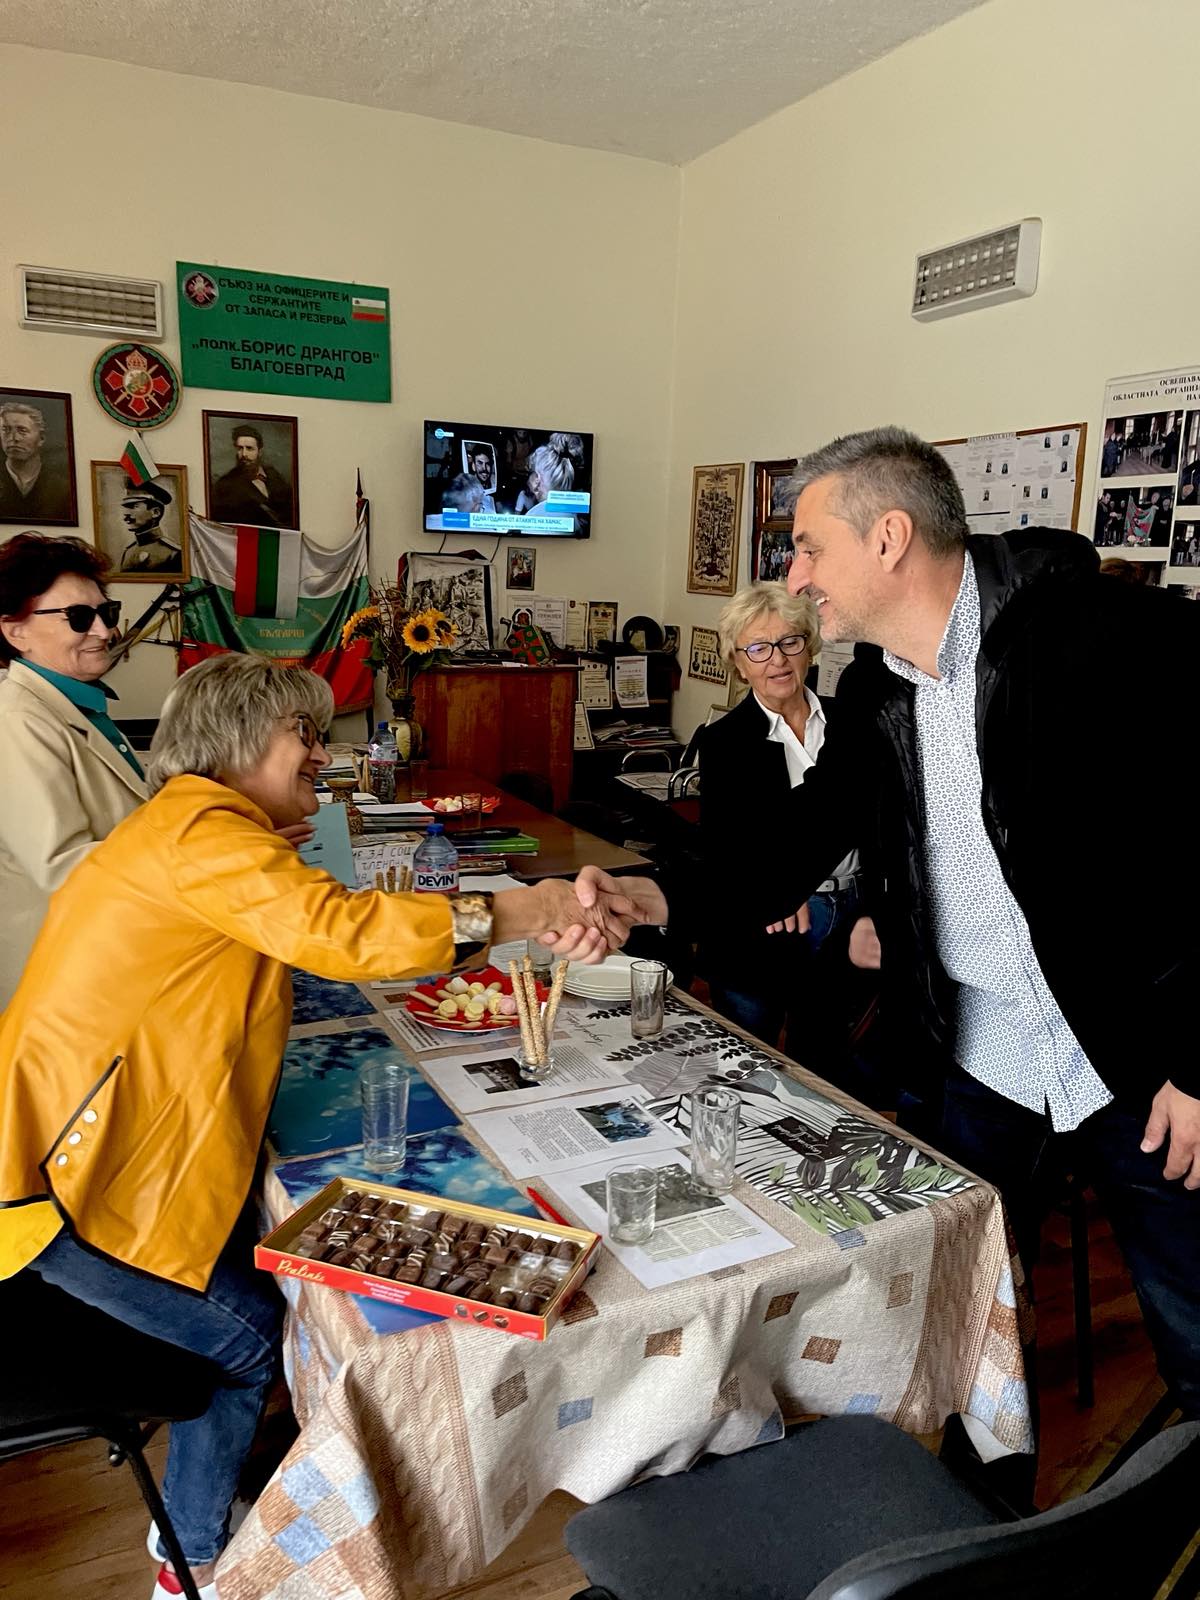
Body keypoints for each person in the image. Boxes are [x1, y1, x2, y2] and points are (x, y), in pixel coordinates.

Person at [0, 652, 666, 1600]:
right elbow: (337, 930)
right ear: (236, 742)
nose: (323, 752)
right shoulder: (199, 828)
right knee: (238, 1340)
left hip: (100, 1159)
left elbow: (310, 932)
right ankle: (188, 1557)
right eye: (303, 735)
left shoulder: (197, 828)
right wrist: (514, 909)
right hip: (58, 1184)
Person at [770, 425, 1200, 1422]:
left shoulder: (1110, 638)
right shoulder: (875, 686)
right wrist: (647, 898)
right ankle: (973, 1556)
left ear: (887, 538)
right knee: (963, 1340)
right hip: (986, 1066)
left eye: (807, 546)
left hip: (1143, 1071)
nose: (795, 577)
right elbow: (796, 844)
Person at [696, 582, 865, 1082]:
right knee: (747, 1068)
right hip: (762, 927)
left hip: (848, 917)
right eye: (758, 648)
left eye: (790, 642)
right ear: (738, 662)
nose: (777, 660)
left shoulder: (852, 722)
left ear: (810, 647)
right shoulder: (725, 742)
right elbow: (732, 846)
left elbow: (880, 822)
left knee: (826, 1067)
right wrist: (785, 887)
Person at [0, 533, 147, 1005]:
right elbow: (63, 869)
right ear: (14, 630)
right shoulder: (17, 721)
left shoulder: (81, 705)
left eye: (107, 613)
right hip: (64, 982)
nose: (104, 632)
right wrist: (206, 854)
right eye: (79, 618)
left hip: (106, 958)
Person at [210, 425, 295, 529]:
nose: (244, 454)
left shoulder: (274, 475)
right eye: (240, 448)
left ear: (260, 452)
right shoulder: (225, 485)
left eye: (249, 448)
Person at [0, 402, 73, 522]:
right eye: (6, 430)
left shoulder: (62, 488)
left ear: (42, 438)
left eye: (22, 430)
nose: (14, 438)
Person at [118, 480, 182, 573]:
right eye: (126, 507)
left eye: (135, 506)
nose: (126, 514)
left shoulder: (173, 553)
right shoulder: (128, 552)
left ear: (155, 512)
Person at [467, 445, 497, 512]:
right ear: (473, 466)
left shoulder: (493, 488)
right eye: (480, 463)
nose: (484, 468)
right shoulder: (467, 491)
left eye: (488, 464)